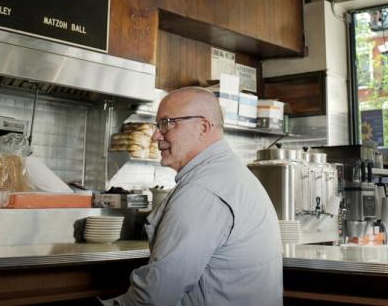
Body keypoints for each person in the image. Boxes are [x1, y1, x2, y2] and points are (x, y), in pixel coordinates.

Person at [103, 87, 283, 305]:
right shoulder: (226, 174)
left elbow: (155, 295)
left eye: (166, 124)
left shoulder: (203, 190)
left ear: (203, 127)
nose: (155, 135)